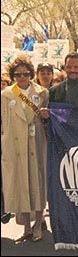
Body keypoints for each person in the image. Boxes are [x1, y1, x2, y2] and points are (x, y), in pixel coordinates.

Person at [1, 56, 50, 243]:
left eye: (26, 74)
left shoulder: (42, 92)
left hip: (36, 142)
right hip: (16, 145)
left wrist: (46, 116)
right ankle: (26, 227)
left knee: (37, 182)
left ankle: (38, 224)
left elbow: (47, 119)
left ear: (31, 74)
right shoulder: (6, 94)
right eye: (18, 74)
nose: (22, 77)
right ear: (13, 75)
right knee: (21, 183)